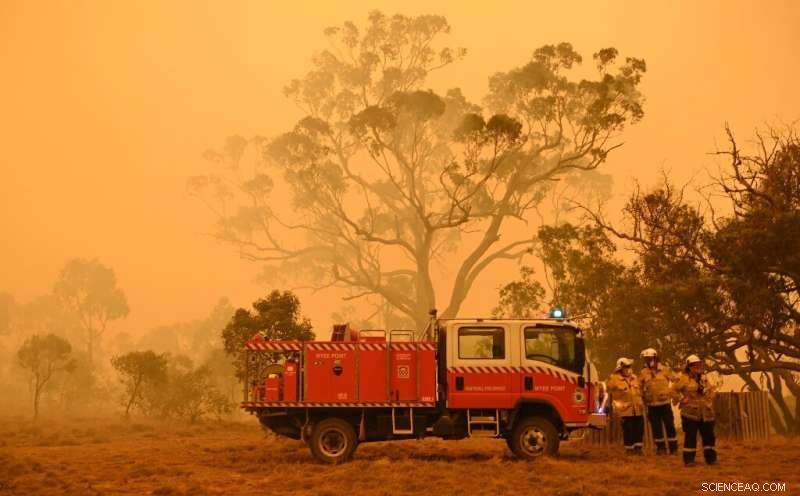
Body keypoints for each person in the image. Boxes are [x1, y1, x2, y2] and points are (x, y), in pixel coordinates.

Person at [672, 355, 717, 466]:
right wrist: (682, 399)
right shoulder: (682, 378)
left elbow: (711, 391)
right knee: (691, 437)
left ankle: (711, 459)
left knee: (709, 437)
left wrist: (709, 399)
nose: (697, 367)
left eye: (698, 365)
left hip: (706, 413)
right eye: (694, 365)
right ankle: (689, 461)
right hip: (690, 413)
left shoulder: (704, 378)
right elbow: (672, 391)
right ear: (689, 367)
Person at [639, 348, 678, 454]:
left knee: (669, 425)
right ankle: (660, 448)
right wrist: (643, 396)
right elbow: (639, 387)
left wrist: (670, 392)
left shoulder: (665, 370)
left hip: (664, 404)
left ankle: (673, 448)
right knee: (656, 428)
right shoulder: (643, 372)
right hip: (651, 405)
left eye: (649, 358)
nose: (647, 361)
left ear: (655, 358)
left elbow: (677, 381)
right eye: (646, 359)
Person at [607, 357, 645, 454]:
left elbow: (640, 391)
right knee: (628, 430)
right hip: (625, 411)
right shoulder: (614, 379)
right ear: (620, 368)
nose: (628, 368)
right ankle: (629, 449)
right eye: (626, 367)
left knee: (639, 429)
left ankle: (638, 449)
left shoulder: (635, 378)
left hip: (637, 409)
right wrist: (614, 374)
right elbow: (608, 387)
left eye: (629, 366)